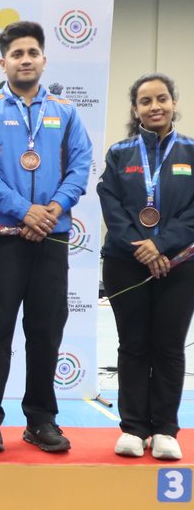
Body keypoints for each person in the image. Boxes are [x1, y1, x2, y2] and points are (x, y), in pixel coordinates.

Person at [0, 21, 92, 453]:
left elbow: (80, 165)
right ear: (4, 62)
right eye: (16, 54)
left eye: (32, 52)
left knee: (45, 332)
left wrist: (52, 210)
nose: (25, 60)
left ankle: (40, 420)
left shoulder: (67, 112)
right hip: (4, 236)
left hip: (51, 236)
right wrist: (25, 210)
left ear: (43, 59)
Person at [98, 73, 194, 461]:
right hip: (125, 262)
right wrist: (141, 247)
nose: (155, 106)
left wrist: (161, 245)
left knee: (169, 346)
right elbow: (111, 203)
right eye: (145, 101)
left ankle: (166, 430)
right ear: (135, 109)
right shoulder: (120, 153)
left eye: (161, 99)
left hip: (181, 262)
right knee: (134, 345)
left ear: (173, 103)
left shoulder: (190, 151)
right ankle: (134, 428)